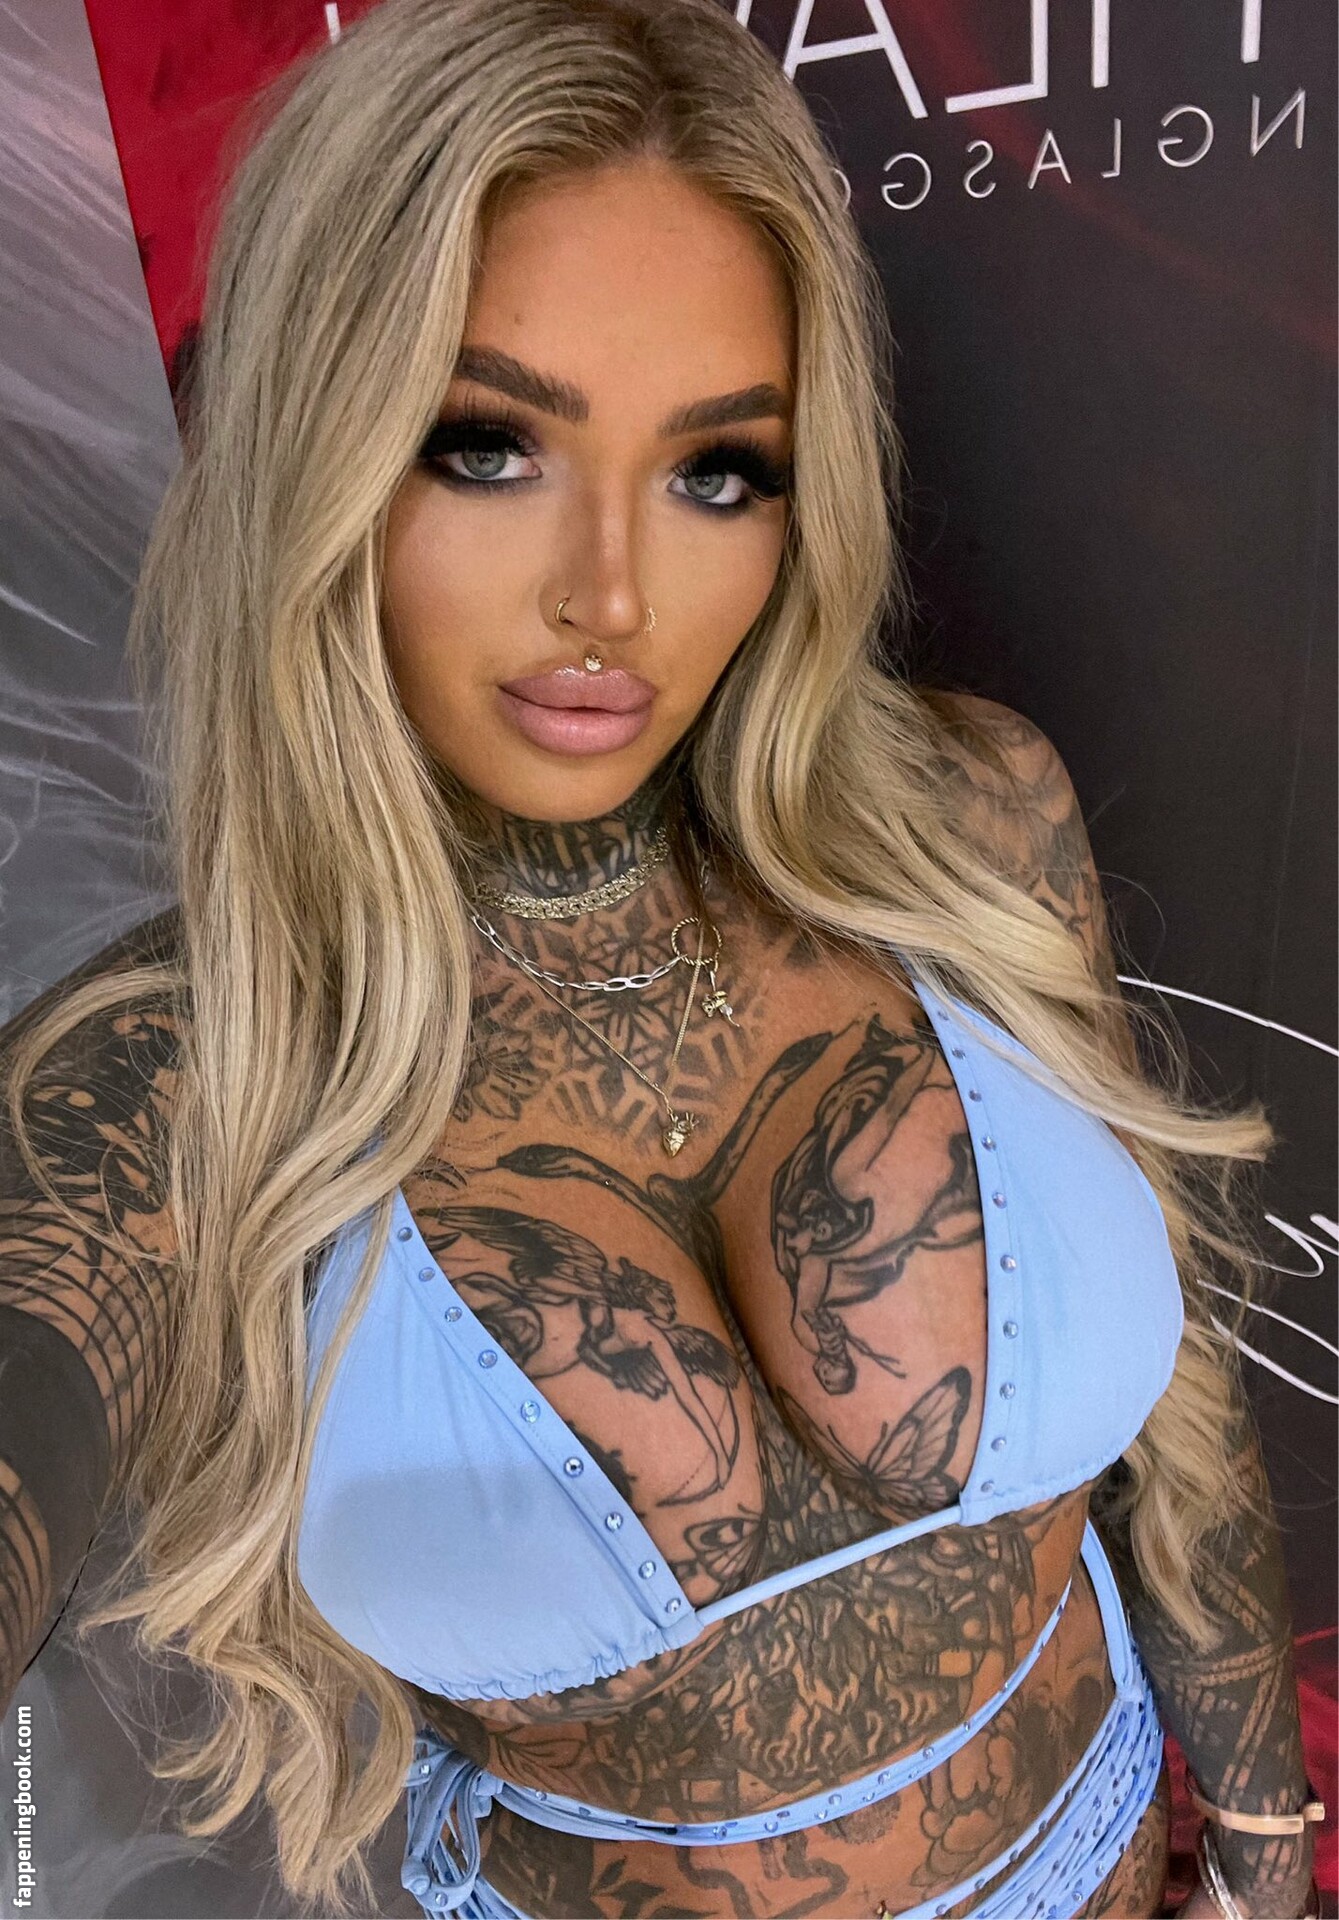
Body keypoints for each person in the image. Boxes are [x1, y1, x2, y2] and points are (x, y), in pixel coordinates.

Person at [0, 1, 1322, 1916]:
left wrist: (1266, 1839)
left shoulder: (969, 823)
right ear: (317, 449)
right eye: (487, 447)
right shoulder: (167, 1079)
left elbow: (1177, 1403)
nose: (609, 595)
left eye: (716, 471)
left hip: (1111, 1845)